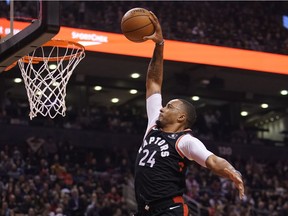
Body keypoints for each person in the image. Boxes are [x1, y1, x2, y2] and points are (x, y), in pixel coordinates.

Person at [133, 12, 245, 216]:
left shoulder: (185, 141)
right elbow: (154, 82)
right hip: (144, 210)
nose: (162, 108)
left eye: (169, 106)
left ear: (181, 117)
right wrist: (159, 45)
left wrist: (232, 171)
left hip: (170, 210)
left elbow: (212, 160)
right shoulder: (153, 125)